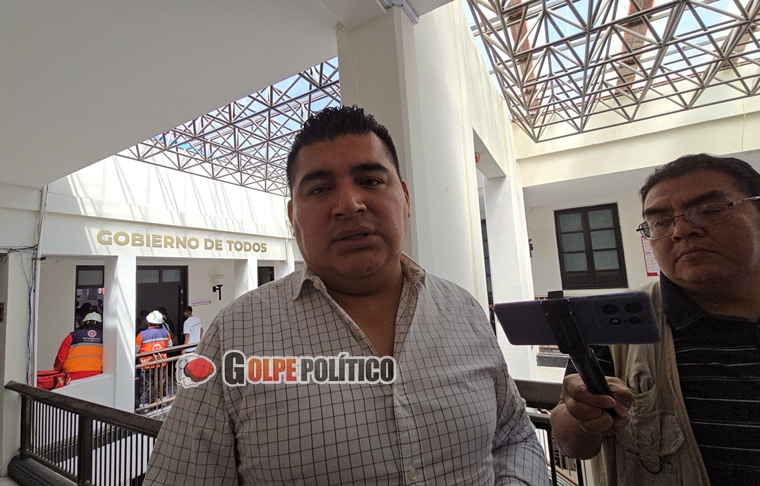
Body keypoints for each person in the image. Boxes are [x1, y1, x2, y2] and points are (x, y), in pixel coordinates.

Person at [144, 106, 548, 485]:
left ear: (405, 198)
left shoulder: (465, 312)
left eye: (370, 181)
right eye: (320, 189)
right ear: (293, 217)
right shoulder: (234, 335)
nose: (349, 205)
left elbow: (514, 436)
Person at [550, 154, 760, 486]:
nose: (681, 230)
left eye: (709, 210)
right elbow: (571, 442)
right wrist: (581, 412)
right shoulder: (614, 321)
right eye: (661, 222)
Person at [136, 310, 172, 409]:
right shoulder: (166, 333)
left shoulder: (141, 335)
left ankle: (144, 406)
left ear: (148, 322)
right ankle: (163, 401)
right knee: (162, 383)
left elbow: (136, 350)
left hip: (146, 365)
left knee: (145, 385)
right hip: (161, 363)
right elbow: (170, 346)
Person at [54, 311, 103, 380]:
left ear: (84, 323)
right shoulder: (105, 337)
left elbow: (61, 355)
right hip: (96, 373)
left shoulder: (73, 335)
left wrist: (56, 371)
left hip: (72, 373)